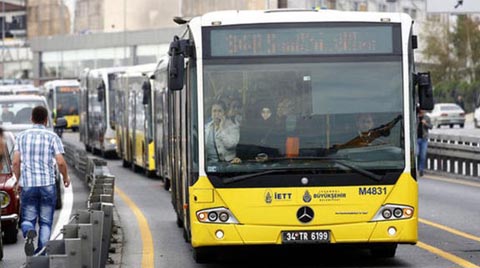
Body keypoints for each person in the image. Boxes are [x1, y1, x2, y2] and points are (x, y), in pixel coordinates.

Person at [12, 106, 70, 256]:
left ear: (31, 118)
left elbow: (16, 162)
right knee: (45, 222)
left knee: (27, 218)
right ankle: (41, 255)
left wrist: (17, 180)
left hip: (28, 184)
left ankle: (28, 230)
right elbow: (61, 162)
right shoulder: (52, 137)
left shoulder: (21, 136)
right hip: (47, 185)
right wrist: (65, 177)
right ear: (46, 120)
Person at [417, 109, 432, 176]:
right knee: (417, 154)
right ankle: (416, 168)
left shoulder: (426, 117)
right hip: (416, 139)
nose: (422, 111)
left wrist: (425, 123)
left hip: (424, 139)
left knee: (423, 155)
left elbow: (431, 126)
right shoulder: (415, 117)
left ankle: (421, 170)